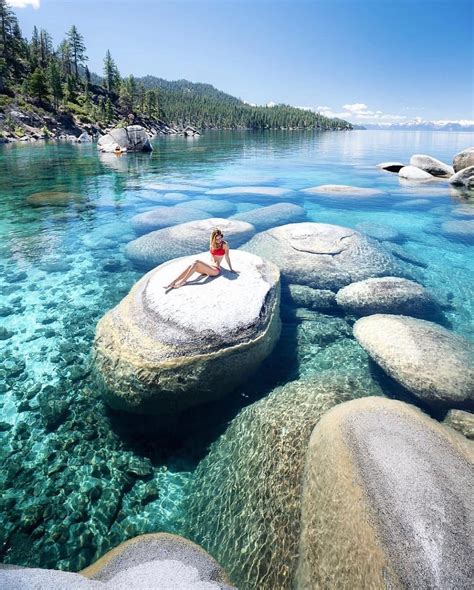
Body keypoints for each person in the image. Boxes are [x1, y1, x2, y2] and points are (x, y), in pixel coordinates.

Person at [164, 228, 237, 290]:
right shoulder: (212, 245)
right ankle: (174, 281)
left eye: (220, 238)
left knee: (197, 262)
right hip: (209, 268)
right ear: (213, 239)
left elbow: (227, 257)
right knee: (191, 266)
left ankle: (183, 281)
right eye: (217, 239)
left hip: (216, 270)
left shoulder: (224, 244)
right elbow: (212, 257)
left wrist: (231, 269)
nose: (219, 240)